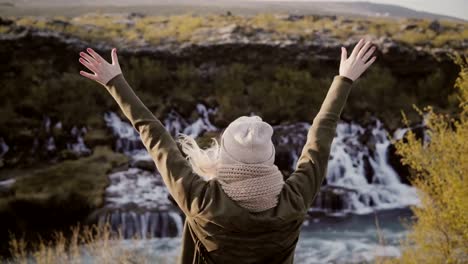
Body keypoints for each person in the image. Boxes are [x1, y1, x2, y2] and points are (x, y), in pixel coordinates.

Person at [79, 38, 376, 264]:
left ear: (226, 158)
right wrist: (344, 79)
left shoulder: (201, 200)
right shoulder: (295, 200)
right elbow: (320, 138)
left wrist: (114, 82)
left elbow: (155, 135)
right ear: (269, 160)